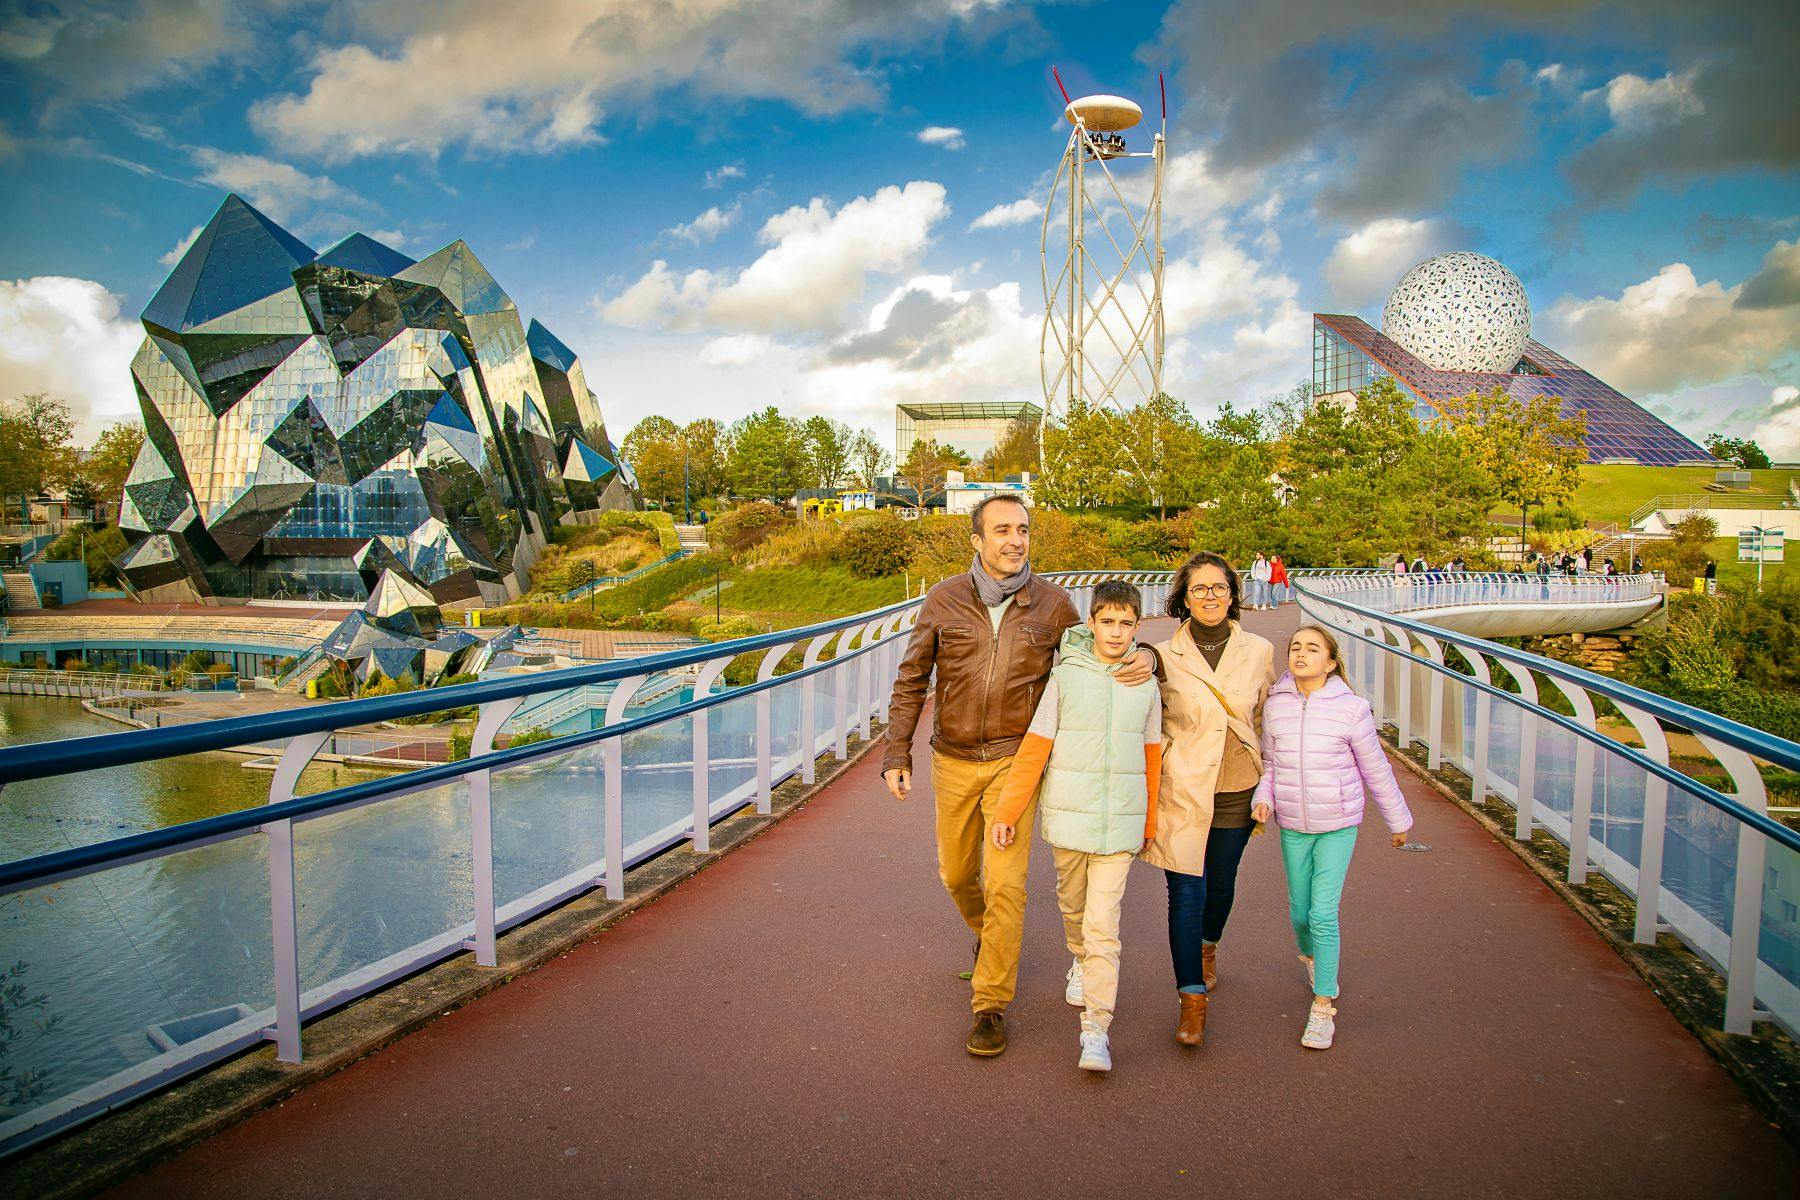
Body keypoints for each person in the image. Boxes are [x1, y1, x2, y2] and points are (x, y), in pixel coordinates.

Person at [882, 495, 1156, 1058]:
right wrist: (896, 752)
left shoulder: (1053, 605)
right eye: (1002, 530)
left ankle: (990, 1004)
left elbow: (1098, 650)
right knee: (956, 875)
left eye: (1023, 529)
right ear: (977, 540)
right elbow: (912, 679)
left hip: (1014, 762)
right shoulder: (943, 600)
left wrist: (1148, 653)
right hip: (952, 758)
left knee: (1007, 884)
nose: (1015, 539)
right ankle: (990, 940)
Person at [990, 580, 1161, 1073]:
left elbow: (1153, 761)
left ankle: (1096, 1030)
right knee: (1074, 907)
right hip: (1068, 818)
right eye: (1107, 622)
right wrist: (1008, 813)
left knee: (1104, 926)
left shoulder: (1146, 684)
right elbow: (1035, 750)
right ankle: (1078, 957)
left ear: (1137, 628)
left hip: (1121, 825)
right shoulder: (1064, 679)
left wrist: (1147, 823)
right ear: (1091, 624)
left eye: (1127, 624)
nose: (1116, 631)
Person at [1253, 625, 1414, 1051]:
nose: (1301, 654)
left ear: (1331, 662)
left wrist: (1398, 820)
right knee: (1300, 914)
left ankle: (1323, 1005)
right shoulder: (1276, 705)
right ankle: (1311, 958)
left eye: (1313, 649)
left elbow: (1375, 768)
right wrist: (1263, 797)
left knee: (1323, 913)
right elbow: (1269, 764)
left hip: (1339, 823)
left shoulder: (1352, 709)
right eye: (1296, 647)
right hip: (1292, 824)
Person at [1142, 550, 1277, 1048]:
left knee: (1221, 886)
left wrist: (1273, 782)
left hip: (1237, 784)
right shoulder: (1160, 653)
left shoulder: (1260, 650)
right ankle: (1192, 1000)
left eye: (1218, 587)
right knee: (1186, 894)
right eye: (1199, 589)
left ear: (1233, 594)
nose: (1210, 596)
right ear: (1183, 598)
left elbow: (1265, 718)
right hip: (1183, 786)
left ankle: (1208, 945)